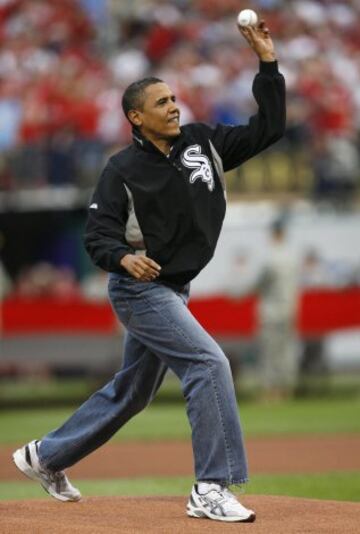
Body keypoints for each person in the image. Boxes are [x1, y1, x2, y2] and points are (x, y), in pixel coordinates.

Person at [13, 19, 285, 523]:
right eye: (161, 102)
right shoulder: (122, 170)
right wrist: (121, 256)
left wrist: (267, 64)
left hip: (174, 288)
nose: (174, 105)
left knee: (132, 392)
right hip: (140, 290)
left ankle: (45, 456)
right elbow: (97, 236)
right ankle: (211, 485)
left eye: (174, 98)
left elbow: (269, 129)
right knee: (208, 364)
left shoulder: (203, 142)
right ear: (136, 117)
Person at [256, 219, 299, 399]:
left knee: (270, 352)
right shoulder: (292, 257)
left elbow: (259, 284)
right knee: (286, 351)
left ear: (274, 234)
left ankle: (271, 392)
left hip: (271, 311)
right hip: (289, 309)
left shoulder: (271, 258)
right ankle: (286, 389)